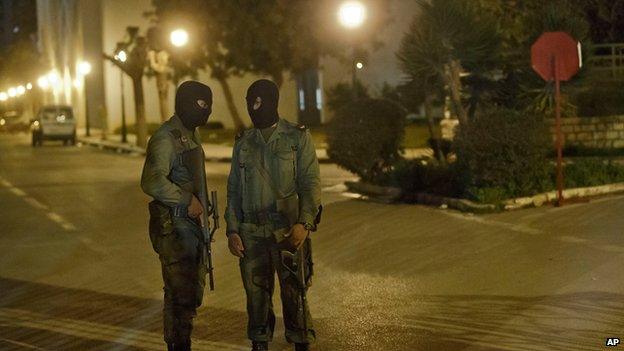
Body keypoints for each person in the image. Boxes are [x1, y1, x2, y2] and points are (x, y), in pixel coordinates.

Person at [225, 79, 322, 351]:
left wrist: (304, 223)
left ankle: (301, 342)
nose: (254, 107)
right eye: (250, 102)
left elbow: (310, 183)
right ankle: (260, 344)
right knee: (256, 298)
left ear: (272, 102)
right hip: (252, 233)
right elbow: (233, 190)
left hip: (287, 231)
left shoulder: (296, 137)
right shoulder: (243, 142)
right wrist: (232, 230)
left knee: (294, 294)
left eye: (259, 101)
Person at [141, 81, 213, 351]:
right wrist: (187, 200)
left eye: (208, 105)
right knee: (179, 294)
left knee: (190, 292)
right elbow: (151, 182)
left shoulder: (190, 134)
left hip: (190, 228)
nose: (206, 111)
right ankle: (178, 345)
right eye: (202, 104)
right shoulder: (166, 137)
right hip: (174, 228)